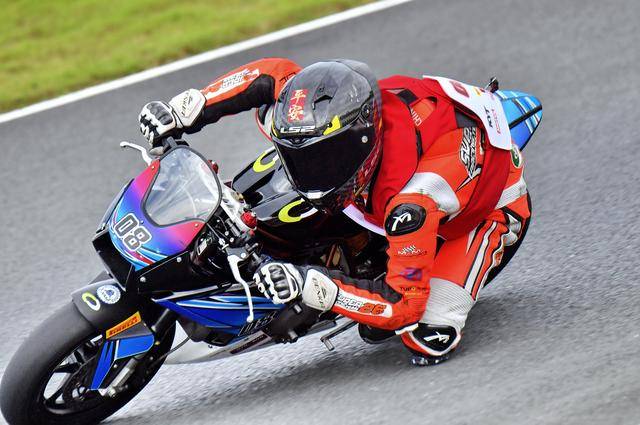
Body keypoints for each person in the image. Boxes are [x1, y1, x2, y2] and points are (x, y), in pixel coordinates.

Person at [138, 58, 531, 365]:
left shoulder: (410, 205)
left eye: (322, 160)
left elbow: (402, 304)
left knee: (423, 332)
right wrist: (189, 108)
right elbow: (270, 74)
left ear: (360, 147)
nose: (309, 170)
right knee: (285, 205)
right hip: (424, 128)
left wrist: (313, 285)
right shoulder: (339, 113)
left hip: (488, 209)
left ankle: (450, 281)